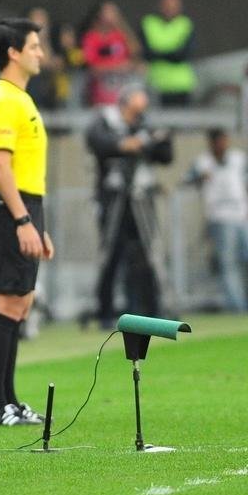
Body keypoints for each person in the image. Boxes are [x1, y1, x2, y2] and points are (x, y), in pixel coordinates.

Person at [0, 18, 54, 426]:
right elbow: (0, 167)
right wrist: (23, 219)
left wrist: (37, 224)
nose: (40, 53)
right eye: (35, 46)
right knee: (6, 302)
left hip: (24, 207)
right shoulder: (5, 99)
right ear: (14, 53)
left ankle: (9, 400)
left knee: (20, 303)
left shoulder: (20, 98)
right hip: (10, 209)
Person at [85, 84, 173, 326]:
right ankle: (105, 311)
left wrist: (140, 142)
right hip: (114, 198)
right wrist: (131, 144)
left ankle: (153, 308)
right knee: (110, 253)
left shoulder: (145, 123)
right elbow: (99, 142)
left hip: (141, 196)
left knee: (150, 253)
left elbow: (165, 152)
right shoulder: (106, 119)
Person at [187, 128, 248, 312]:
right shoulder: (203, 162)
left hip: (242, 214)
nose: (222, 145)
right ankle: (239, 307)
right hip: (219, 216)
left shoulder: (238, 158)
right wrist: (199, 178)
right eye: (218, 141)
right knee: (228, 265)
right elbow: (187, 180)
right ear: (211, 143)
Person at [141, 0, 196, 107]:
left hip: (181, 85)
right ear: (160, 4)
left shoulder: (185, 24)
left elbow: (182, 55)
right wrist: (171, 53)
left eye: (174, 4)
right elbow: (145, 53)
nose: (170, 8)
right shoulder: (149, 23)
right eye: (167, 4)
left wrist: (158, 53)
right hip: (155, 84)